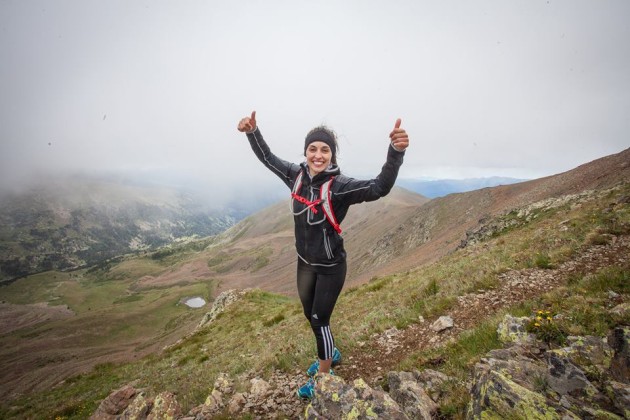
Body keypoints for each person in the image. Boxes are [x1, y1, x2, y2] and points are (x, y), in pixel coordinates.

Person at [237, 111, 409, 399]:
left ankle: (324, 375)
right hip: (304, 265)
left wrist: (395, 152)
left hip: (330, 267)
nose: (318, 155)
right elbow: (267, 158)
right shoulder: (295, 175)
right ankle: (331, 351)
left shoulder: (339, 186)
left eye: (325, 150)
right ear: (306, 151)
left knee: (319, 319)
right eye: (313, 148)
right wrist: (252, 132)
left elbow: (379, 187)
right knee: (310, 314)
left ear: (332, 155)